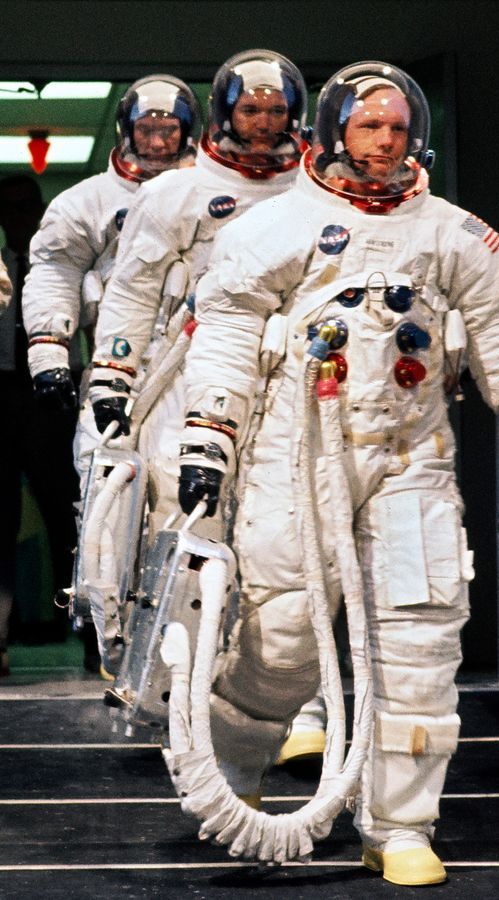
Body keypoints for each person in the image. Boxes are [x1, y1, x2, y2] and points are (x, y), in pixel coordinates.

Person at [177, 62, 499, 885]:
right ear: (332, 133)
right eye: (369, 127)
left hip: (410, 465)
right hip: (299, 454)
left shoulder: (454, 234)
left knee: (420, 645)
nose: (385, 142)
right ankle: (231, 776)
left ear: (414, 134)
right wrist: (206, 442)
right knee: (281, 635)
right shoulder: (270, 228)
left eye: (396, 128)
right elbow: (221, 340)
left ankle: (399, 827)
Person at [89, 50, 307, 547]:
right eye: (251, 110)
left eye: (276, 111)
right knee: (181, 499)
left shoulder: (312, 193)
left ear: (294, 114)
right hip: (188, 365)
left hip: (286, 366)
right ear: (225, 113)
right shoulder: (177, 192)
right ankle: (174, 623)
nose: (264, 124)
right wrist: (111, 375)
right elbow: (134, 289)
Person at [22, 74, 201, 672]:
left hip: (193, 370)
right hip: (116, 370)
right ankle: (111, 631)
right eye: (146, 130)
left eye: (168, 130)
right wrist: (50, 353)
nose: (156, 142)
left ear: (188, 132)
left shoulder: (212, 194)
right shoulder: (86, 202)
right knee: (105, 498)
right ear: (127, 130)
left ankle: (186, 644)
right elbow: (52, 272)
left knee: (188, 501)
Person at [0, 174, 77, 676]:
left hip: (52, 396)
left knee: (66, 515)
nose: (19, 216)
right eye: (9, 209)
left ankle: (87, 632)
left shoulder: (64, 263)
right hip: (2, 392)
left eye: (26, 206)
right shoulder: (1, 267)